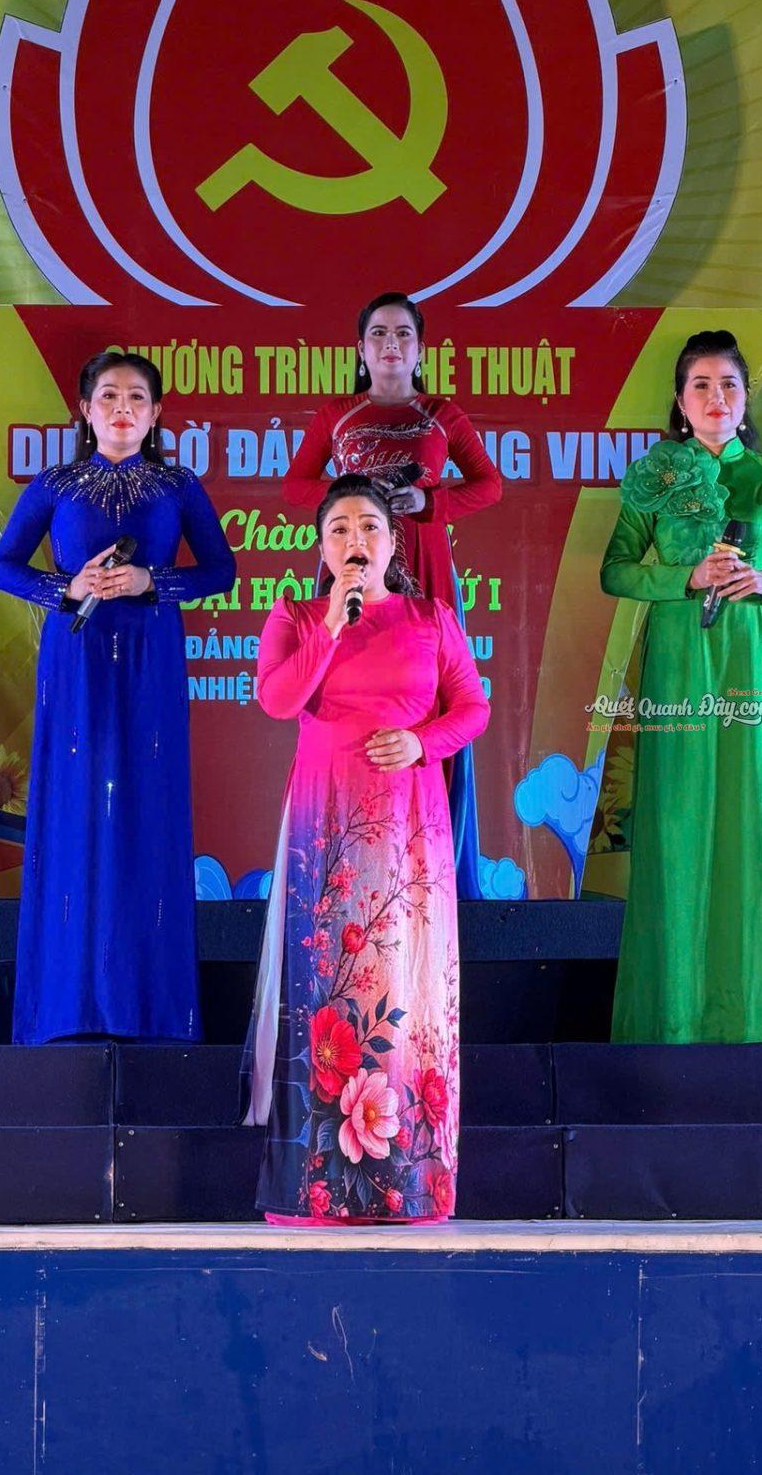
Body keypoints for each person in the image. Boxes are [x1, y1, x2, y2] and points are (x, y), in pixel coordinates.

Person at [242, 473, 490, 1224]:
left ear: (392, 541)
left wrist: (421, 742)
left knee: (404, 990)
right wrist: (329, 624)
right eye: (341, 529)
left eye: (370, 527)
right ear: (322, 546)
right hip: (326, 821)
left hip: (409, 822)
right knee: (328, 990)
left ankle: (405, 1184)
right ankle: (320, 1188)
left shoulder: (430, 616)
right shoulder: (295, 615)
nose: (356, 541)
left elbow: (473, 708)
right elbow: (277, 699)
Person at [599, 329, 762, 1044]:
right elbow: (616, 571)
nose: (717, 397)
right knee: (681, 824)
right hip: (682, 666)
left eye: (729, 385)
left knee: (760, 823)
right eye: (702, 385)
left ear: (746, 399)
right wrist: (686, 576)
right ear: (681, 403)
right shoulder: (654, 479)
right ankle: (675, 1016)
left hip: (759, 668)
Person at [0, 350, 235, 1044]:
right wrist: (64, 587)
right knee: (73, 805)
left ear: (157, 414)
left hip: (151, 656)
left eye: (136, 398)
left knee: (147, 802)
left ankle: (151, 1008)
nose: (122, 408)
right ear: (85, 410)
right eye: (108, 396)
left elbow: (221, 571)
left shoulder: (178, 484)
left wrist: (153, 582)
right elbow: (1, 566)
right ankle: (65, 1006)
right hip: (76, 655)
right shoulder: (55, 483)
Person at [283, 292, 501, 897]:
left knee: (434, 698)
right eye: (378, 333)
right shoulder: (337, 414)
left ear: (420, 348)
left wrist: (429, 501)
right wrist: (353, 495)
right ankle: (338, 856)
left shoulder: (441, 413)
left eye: (403, 334)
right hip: (352, 567)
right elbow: (297, 487)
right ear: (360, 349)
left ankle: (434, 863)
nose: (391, 344)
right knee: (340, 690)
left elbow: (489, 485)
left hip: (424, 563)